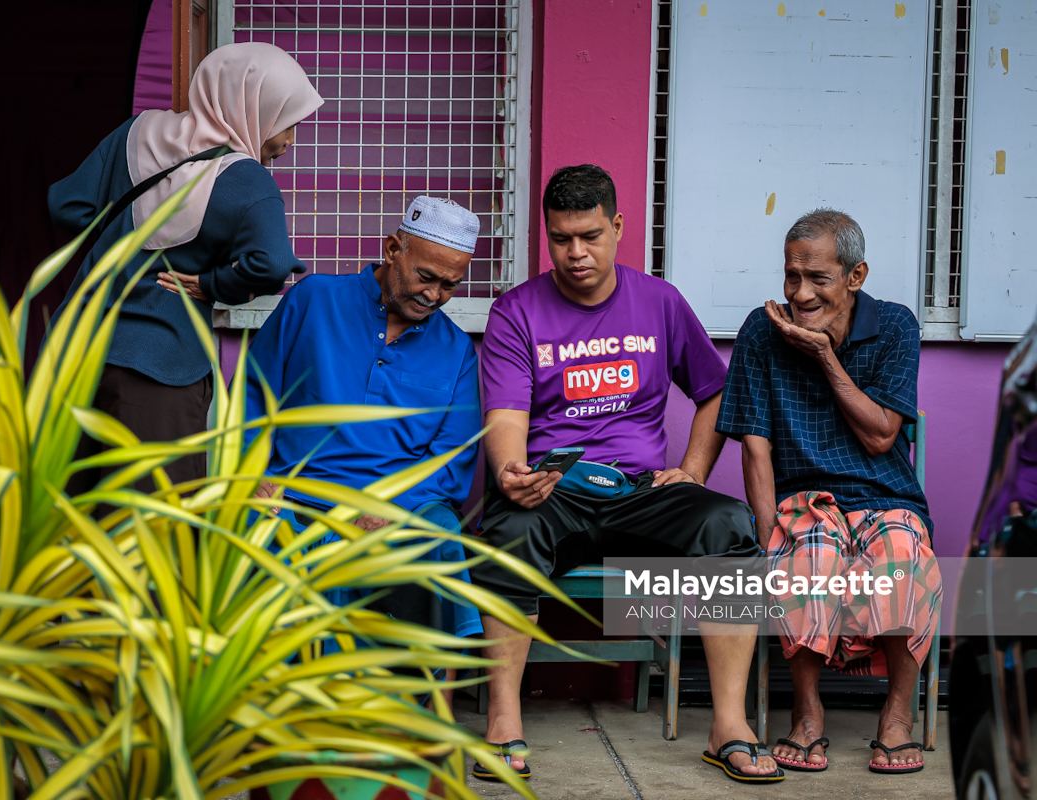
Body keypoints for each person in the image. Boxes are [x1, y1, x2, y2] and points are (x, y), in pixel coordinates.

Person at [469, 164, 781, 783]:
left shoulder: (659, 302)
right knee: (506, 537)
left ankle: (728, 727)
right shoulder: (517, 312)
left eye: (589, 235)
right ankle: (504, 724)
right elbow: (506, 416)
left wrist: (692, 469)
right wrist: (510, 472)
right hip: (557, 492)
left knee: (727, 523)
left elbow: (715, 391)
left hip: (640, 492)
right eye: (561, 239)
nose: (575, 253)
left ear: (617, 226)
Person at [716, 208, 941, 775]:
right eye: (792, 276)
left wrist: (823, 355)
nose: (800, 292)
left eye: (818, 278)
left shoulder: (894, 326)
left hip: (884, 494)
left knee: (901, 552)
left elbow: (881, 434)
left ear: (855, 276)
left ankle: (897, 716)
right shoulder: (761, 331)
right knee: (807, 551)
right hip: (803, 499)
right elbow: (756, 448)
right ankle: (808, 712)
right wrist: (770, 538)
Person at [48, 42, 323, 492]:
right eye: (285, 120)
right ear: (251, 104)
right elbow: (271, 265)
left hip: (77, 346)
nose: (289, 139)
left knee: (71, 510)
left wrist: (128, 238)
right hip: (160, 366)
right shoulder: (247, 180)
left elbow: (68, 205)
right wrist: (213, 282)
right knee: (150, 527)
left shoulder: (138, 133)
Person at [246, 196, 484, 650]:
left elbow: (453, 459)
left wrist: (392, 506)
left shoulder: (455, 350)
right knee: (253, 534)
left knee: (436, 534)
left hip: (396, 505)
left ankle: (412, 704)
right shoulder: (313, 300)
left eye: (450, 285)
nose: (434, 296)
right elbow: (252, 397)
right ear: (394, 249)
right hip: (295, 494)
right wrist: (253, 475)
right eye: (426, 277)